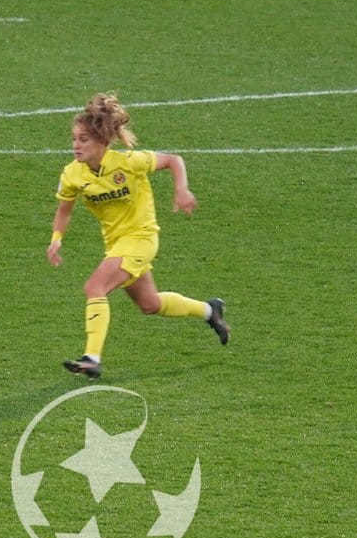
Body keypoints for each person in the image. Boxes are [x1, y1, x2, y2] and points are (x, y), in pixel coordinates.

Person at [47, 93, 230, 379]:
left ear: (102, 142)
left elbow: (173, 160)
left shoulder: (129, 162)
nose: (75, 145)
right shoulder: (72, 174)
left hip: (142, 238)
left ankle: (92, 357)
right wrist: (56, 238)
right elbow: (64, 209)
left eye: (83, 139)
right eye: (74, 138)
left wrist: (181, 189)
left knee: (94, 287)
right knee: (150, 304)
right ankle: (210, 311)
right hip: (116, 245)